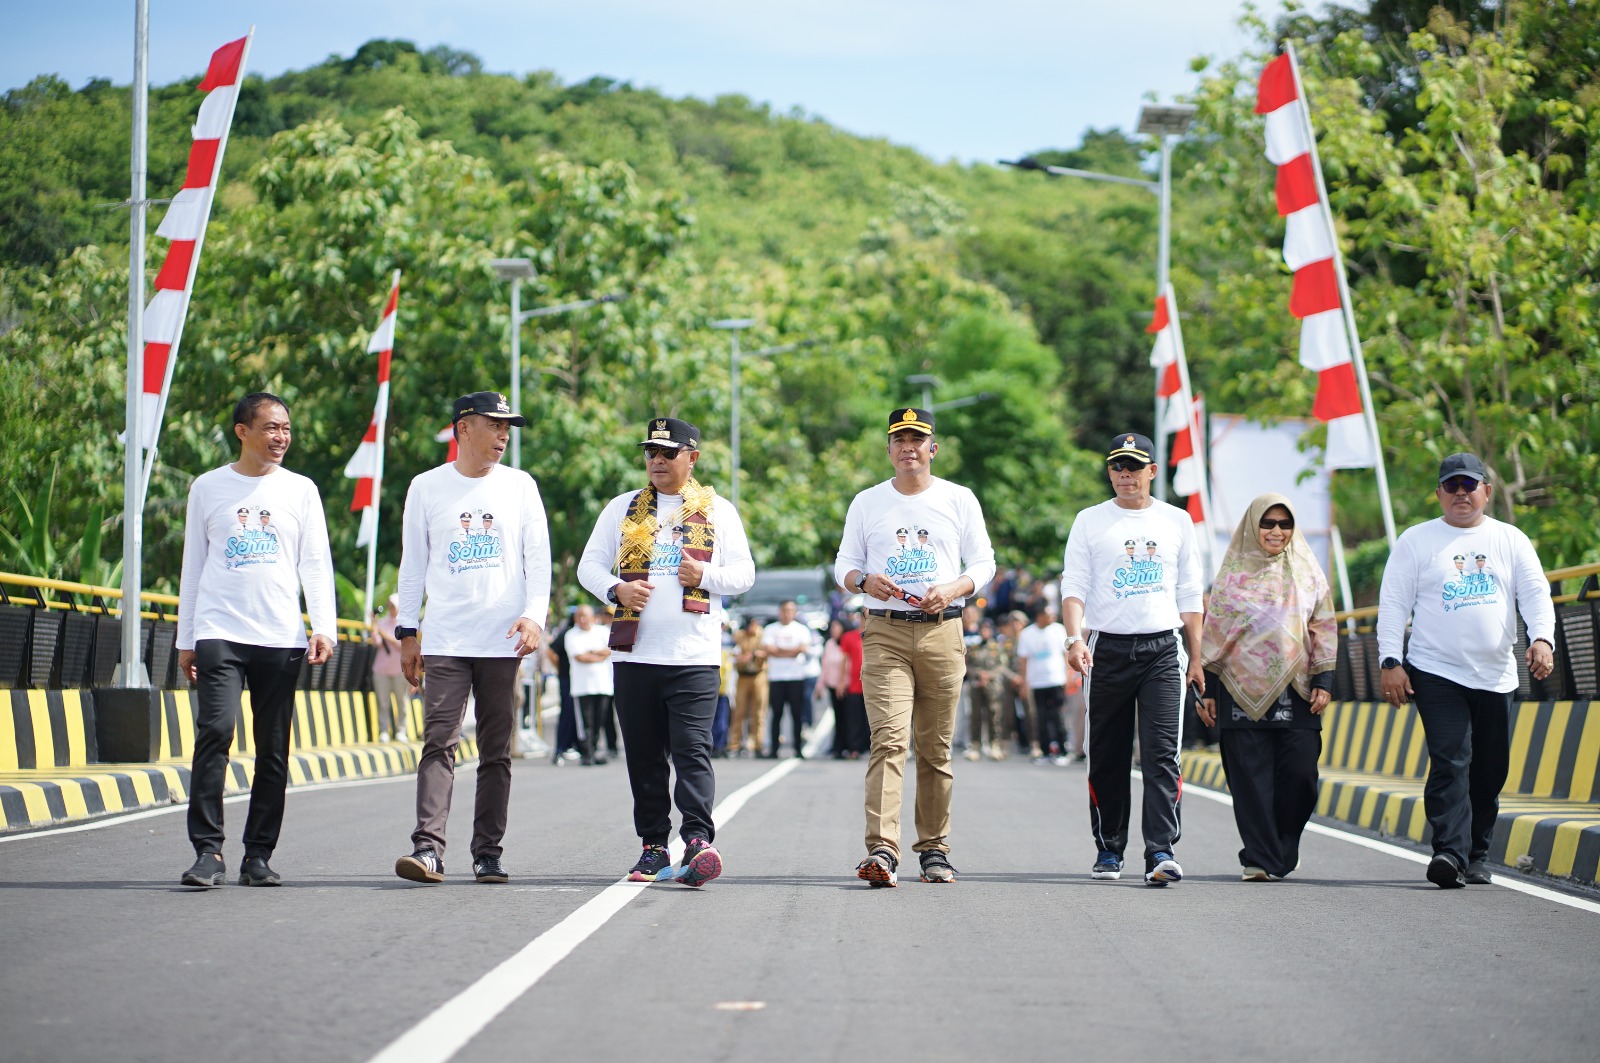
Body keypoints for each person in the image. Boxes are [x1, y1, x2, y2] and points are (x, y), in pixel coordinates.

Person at [578, 416, 755, 887]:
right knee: (644, 756)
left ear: (691, 458)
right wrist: (616, 590)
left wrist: (706, 577)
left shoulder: (718, 510)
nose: (656, 460)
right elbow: (588, 566)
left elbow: (744, 575)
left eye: (667, 452)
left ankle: (698, 841)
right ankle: (654, 846)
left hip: (694, 656)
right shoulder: (623, 508)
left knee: (692, 751)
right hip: (634, 656)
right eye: (650, 453)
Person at [176, 392, 337, 888]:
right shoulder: (208, 488)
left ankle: (258, 854)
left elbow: (314, 562)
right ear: (242, 431)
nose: (281, 437)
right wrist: (187, 638)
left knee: (273, 749)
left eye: (286, 428)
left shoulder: (301, 490)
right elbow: (193, 566)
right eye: (270, 427)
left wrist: (323, 626)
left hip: (279, 635)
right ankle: (208, 851)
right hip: (219, 630)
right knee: (216, 732)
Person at [392, 391, 551, 885]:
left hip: (502, 641)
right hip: (445, 639)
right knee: (439, 740)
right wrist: (407, 633)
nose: (504, 435)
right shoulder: (426, 487)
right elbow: (413, 564)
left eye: (508, 427)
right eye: (494, 425)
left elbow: (538, 559)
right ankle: (428, 849)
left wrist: (534, 617)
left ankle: (487, 852)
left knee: (496, 748)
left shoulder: (521, 486)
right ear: (464, 428)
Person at [1377, 453, 1556, 888]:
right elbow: (1393, 604)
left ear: (1486, 492)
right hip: (1435, 671)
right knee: (1451, 759)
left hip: (1496, 674)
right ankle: (1448, 854)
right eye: (1452, 486)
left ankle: (1477, 854)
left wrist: (1542, 639)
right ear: (1439, 493)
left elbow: (1535, 594)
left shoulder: (1510, 539)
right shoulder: (1416, 541)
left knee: (1490, 768)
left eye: (1469, 485)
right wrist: (1390, 661)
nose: (1461, 493)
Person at [835, 407, 996, 887]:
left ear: (933, 448)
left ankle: (934, 850)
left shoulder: (958, 498)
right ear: (888, 449)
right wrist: (863, 580)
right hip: (885, 631)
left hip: (942, 631)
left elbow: (984, 560)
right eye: (899, 439)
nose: (909, 447)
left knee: (935, 748)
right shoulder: (867, 502)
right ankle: (882, 851)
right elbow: (843, 565)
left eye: (917, 439)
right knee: (888, 740)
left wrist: (955, 588)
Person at [1061, 432, 1203, 886]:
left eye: (1135, 467)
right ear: (1110, 472)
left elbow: (1190, 593)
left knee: (1162, 754)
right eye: (1118, 467)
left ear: (1152, 472)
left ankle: (1160, 850)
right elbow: (1074, 586)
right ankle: (1109, 850)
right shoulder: (1090, 520)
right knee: (1106, 754)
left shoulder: (1176, 521)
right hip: (1106, 650)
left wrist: (1196, 656)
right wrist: (1073, 639)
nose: (1126, 475)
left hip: (1162, 648)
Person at [1196, 493, 1336, 881]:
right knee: (1250, 780)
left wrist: (1324, 679)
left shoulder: (1308, 572)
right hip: (1238, 687)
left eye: (1284, 524)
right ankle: (1257, 857)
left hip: (1298, 686)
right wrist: (1207, 691)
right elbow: (1214, 635)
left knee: (1301, 776)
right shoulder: (1230, 575)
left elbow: (1323, 626)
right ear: (1252, 526)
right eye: (1268, 523)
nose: (1276, 531)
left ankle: (1283, 847)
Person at [1017, 605, 1071, 763]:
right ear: (1039, 615)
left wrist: (1067, 676)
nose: (1052, 618)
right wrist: (1024, 683)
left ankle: (1062, 751)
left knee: (1057, 716)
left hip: (1056, 680)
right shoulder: (1027, 634)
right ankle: (1045, 751)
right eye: (1048, 614)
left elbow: (1065, 654)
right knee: (1040, 717)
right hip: (1037, 682)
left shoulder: (1058, 630)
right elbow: (1023, 660)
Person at [563, 604, 614, 765]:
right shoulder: (571, 634)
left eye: (586, 616)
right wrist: (598, 654)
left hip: (603, 684)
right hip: (582, 686)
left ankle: (593, 749)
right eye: (580, 616)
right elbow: (579, 657)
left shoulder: (602, 631)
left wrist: (591, 652)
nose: (583, 619)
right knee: (586, 722)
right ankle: (586, 752)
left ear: (593, 617)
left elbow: (610, 650)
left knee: (599, 720)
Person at [762, 599, 812, 759]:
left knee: (796, 714)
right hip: (776, 677)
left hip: (795, 677)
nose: (787, 613)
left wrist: (780, 651)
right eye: (784, 610)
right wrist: (791, 651)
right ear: (779, 611)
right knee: (776, 714)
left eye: (790, 610)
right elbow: (769, 650)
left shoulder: (801, 629)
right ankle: (774, 749)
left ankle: (798, 748)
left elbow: (802, 649)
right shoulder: (771, 629)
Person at [964, 617, 1014, 761]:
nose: (985, 632)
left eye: (987, 629)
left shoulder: (997, 648)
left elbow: (1002, 666)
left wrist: (989, 675)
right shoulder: (974, 648)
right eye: (983, 629)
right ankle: (975, 746)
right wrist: (979, 674)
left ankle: (994, 745)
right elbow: (968, 666)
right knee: (975, 716)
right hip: (977, 684)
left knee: (994, 715)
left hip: (993, 686)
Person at [370, 595, 412, 743]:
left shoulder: (404, 624)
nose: (390, 608)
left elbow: (399, 644)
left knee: (401, 701)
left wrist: (383, 633)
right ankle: (383, 731)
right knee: (383, 702)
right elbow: (377, 642)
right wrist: (374, 629)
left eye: (393, 605)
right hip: (381, 669)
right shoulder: (381, 623)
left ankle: (401, 730)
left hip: (399, 670)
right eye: (389, 605)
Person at [728, 616, 768, 756]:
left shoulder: (762, 635)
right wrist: (740, 657)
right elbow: (733, 653)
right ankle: (735, 744)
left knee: (758, 712)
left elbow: (767, 651)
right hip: (743, 675)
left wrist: (753, 655)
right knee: (739, 711)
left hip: (758, 675)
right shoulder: (739, 636)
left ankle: (758, 743)